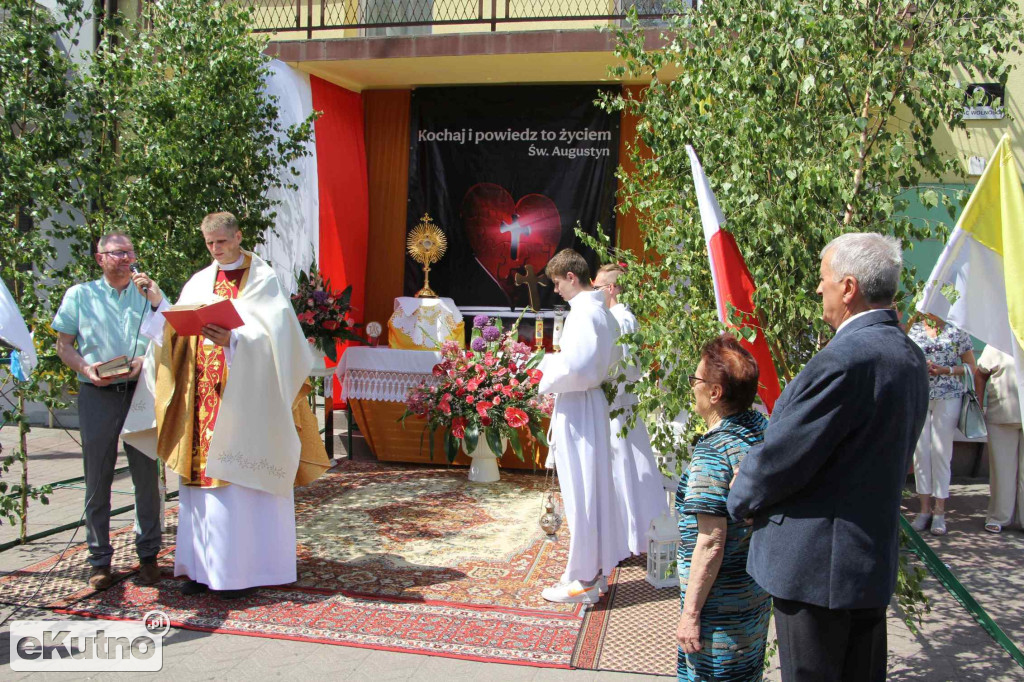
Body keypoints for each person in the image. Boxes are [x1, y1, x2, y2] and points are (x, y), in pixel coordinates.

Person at [728, 233, 929, 681]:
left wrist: (740, 493)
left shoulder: (846, 360)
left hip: (817, 570)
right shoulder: (908, 354)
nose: (818, 289)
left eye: (824, 279)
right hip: (865, 562)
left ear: (849, 287)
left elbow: (784, 456)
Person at [123, 211, 327, 598]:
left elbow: (282, 344)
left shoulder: (263, 280)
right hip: (201, 400)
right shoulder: (200, 280)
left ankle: (240, 573)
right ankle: (202, 570)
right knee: (202, 490)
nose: (215, 250)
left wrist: (234, 342)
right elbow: (173, 327)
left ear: (238, 238)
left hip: (248, 404)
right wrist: (158, 304)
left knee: (240, 489)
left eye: (221, 242)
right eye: (209, 244)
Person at [52, 231, 163, 590]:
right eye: (116, 253)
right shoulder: (80, 295)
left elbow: (170, 336)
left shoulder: (149, 293)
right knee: (97, 476)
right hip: (96, 392)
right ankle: (99, 560)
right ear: (100, 258)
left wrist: (145, 358)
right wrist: (85, 369)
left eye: (129, 252)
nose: (124, 258)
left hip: (140, 391)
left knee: (146, 475)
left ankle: (148, 556)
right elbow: (63, 345)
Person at [676, 333, 771, 682]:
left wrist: (690, 614)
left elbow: (712, 540)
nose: (692, 387)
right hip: (754, 594)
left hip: (719, 610)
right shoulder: (762, 428)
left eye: (696, 380)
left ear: (715, 393)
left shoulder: (713, 451)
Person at [538, 249, 628, 603]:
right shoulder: (600, 312)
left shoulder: (584, 314)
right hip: (588, 403)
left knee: (582, 493)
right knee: (589, 490)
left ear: (571, 277)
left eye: (558, 283)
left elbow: (577, 367)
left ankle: (585, 579)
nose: (556, 290)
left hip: (579, 405)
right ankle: (593, 572)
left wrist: (542, 372)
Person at [593, 263, 668, 556]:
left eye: (598, 287)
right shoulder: (619, 317)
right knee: (629, 467)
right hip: (621, 403)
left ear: (611, 288)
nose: (595, 292)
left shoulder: (620, 320)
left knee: (624, 469)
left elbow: (617, 367)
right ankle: (628, 535)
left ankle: (627, 538)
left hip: (617, 402)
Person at [907, 313, 977, 536]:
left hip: (948, 397)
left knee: (941, 453)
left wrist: (945, 369)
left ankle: (940, 511)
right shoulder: (915, 329)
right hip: (920, 395)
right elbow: (906, 361)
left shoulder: (956, 330)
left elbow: (971, 367)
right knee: (920, 453)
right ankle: (924, 509)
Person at [975, 345, 1022, 534]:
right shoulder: (997, 342)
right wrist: (978, 405)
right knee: (1002, 471)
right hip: (1000, 418)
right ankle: (998, 517)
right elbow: (980, 374)